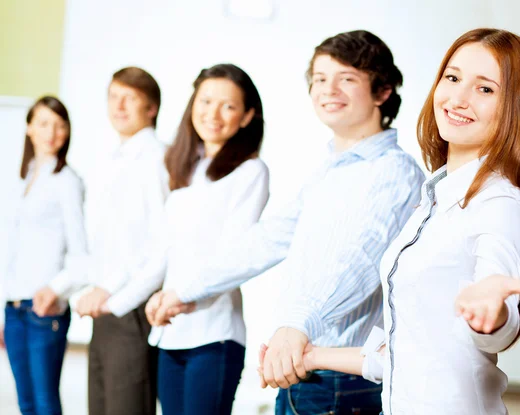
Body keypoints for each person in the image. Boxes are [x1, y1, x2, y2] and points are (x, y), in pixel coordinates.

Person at [264, 28, 520, 415]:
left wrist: (493, 315)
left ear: (515, 107)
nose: (457, 98)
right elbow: (409, 354)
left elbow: (495, 327)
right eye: (452, 78)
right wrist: (312, 355)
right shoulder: (434, 198)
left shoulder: (500, 203)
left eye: (485, 89)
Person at [147, 30, 425, 414]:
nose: (329, 89)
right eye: (320, 78)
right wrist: (183, 291)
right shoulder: (330, 170)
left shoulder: (393, 172)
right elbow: (266, 240)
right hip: (302, 368)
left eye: (347, 78)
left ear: (382, 92)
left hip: (340, 382)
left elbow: (359, 261)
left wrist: (298, 324)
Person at [98, 63, 269, 415]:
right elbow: (163, 252)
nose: (213, 114)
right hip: (170, 333)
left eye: (229, 106)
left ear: (248, 115)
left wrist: (180, 297)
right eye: (205, 101)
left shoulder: (250, 172)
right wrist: (115, 303)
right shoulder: (185, 169)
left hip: (214, 336)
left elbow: (233, 258)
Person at [76, 67, 168, 415]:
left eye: (130, 98)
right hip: (106, 305)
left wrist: (111, 291)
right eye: (114, 96)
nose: (119, 105)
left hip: (129, 307)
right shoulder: (113, 159)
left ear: (151, 107)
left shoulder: (157, 158)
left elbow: (160, 243)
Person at [0, 96, 87, 415]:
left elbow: (82, 257)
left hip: (44, 310)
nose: (52, 132)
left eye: (60, 125)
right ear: (29, 128)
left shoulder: (67, 181)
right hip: (14, 308)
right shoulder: (22, 179)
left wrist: (54, 290)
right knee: (25, 403)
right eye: (44, 123)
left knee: (45, 402)